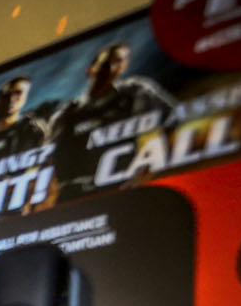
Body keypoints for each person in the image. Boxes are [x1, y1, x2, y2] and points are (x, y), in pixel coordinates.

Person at [47, 40, 175, 204]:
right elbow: (48, 167)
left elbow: (176, 121)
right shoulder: (65, 115)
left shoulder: (136, 93)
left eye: (118, 62)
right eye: (106, 62)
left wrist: (149, 171)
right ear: (91, 69)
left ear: (123, 67)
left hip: (124, 195)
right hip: (75, 203)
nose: (111, 67)